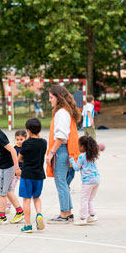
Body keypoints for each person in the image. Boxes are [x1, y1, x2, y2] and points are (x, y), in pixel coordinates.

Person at [46, 85, 81, 224]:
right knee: (63, 183)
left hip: (60, 150)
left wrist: (51, 153)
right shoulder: (66, 112)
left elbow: (61, 136)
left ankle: (64, 215)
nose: (49, 100)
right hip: (63, 150)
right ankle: (68, 212)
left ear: (58, 98)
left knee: (61, 183)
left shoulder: (61, 113)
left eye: (51, 97)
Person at [18, 118, 47, 233]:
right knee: (37, 197)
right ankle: (39, 214)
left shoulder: (26, 143)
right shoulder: (44, 142)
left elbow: (20, 158)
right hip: (39, 175)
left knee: (26, 200)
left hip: (27, 174)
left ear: (28, 131)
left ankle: (28, 224)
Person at [69, 136, 100, 226]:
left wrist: (71, 159)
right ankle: (93, 215)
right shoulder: (92, 155)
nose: (78, 147)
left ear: (83, 146)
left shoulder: (82, 156)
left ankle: (83, 218)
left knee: (84, 199)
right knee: (90, 199)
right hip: (96, 180)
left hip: (87, 182)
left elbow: (76, 168)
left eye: (79, 145)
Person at [6, 130, 27, 213]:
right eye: (17, 139)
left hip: (24, 172)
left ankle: (26, 205)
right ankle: (8, 206)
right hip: (14, 172)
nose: (19, 141)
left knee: (25, 189)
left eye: (21, 139)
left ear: (25, 138)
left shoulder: (27, 147)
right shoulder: (13, 148)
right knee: (10, 189)